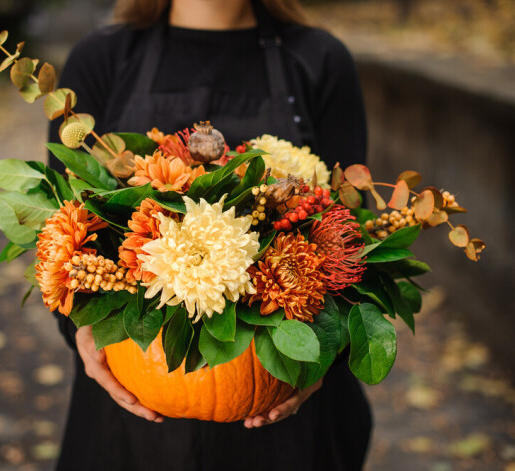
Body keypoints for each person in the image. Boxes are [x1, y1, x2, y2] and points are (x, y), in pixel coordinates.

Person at [48, 0, 372, 469]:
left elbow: (351, 239)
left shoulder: (319, 59)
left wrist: (330, 353)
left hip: (290, 419)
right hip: (133, 416)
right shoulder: (100, 59)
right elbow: (62, 229)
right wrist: (77, 323)